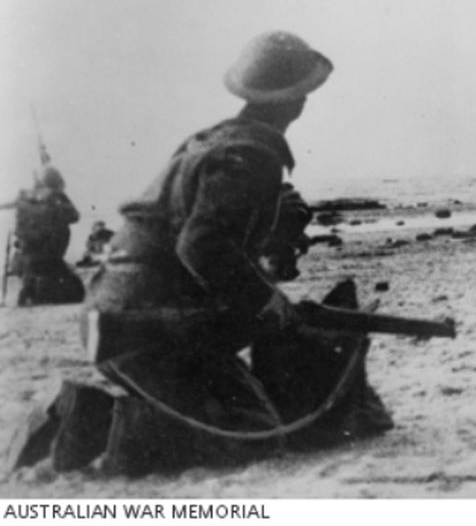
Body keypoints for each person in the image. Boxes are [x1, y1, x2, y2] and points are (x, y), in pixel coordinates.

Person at [5, 31, 392, 477]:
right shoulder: (252, 154)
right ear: (297, 100)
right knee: (251, 433)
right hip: (152, 328)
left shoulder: (214, 141)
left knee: (242, 413)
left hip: (118, 313)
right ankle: (90, 420)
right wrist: (267, 300)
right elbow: (202, 245)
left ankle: (84, 416)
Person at [1, 165, 84, 306]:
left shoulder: (23, 195)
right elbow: (74, 216)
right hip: (50, 254)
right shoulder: (56, 196)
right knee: (74, 291)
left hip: (23, 256)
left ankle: (29, 293)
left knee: (35, 275)